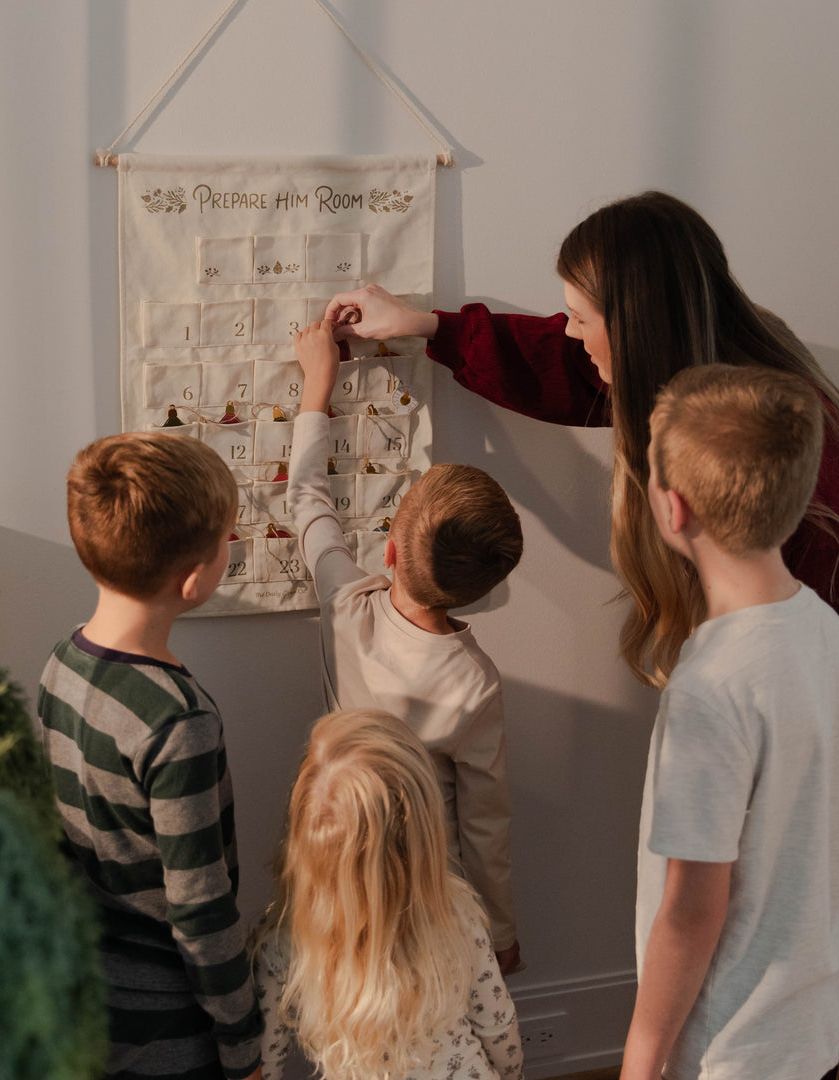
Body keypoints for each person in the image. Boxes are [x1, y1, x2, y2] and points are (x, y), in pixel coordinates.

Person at [325, 191, 839, 688]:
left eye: (579, 317)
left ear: (635, 332)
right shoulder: (704, 356)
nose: (569, 332)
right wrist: (428, 325)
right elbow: (565, 364)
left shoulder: (790, 461)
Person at [621, 365, 839, 1080]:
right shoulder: (825, 630)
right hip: (809, 1028)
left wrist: (642, 1059)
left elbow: (692, 910)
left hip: (728, 1047)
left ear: (671, 508)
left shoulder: (710, 692)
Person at [288, 319, 524, 973]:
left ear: (387, 550)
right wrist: (501, 931)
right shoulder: (475, 681)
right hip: (432, 890)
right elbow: (486, 824)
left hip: (341, 870)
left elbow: (306, 500)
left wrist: (317, 386)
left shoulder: (346, 604)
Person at [35, 432, 263, 1080]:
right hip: (169, 1021)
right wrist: (244, 1044)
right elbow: (200, 907)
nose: (231, 549)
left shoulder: (63, 661)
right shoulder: (179, 721)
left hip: (89, 990)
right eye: (228, 539)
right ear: (193, 580)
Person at [253, 708, 523, 1080]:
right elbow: (498, 1028)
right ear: (422, 838)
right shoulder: (456, 915)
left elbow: (263, 1061)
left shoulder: (281, 943)